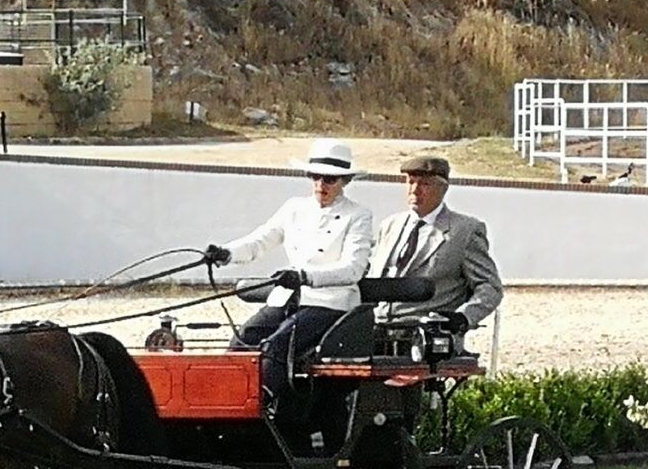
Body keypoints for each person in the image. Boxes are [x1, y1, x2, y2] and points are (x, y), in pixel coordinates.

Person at [203, 138, 373, 416]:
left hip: (329, 303)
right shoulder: (294, 208)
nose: (321, 185)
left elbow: (352, 269)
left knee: (277, 345)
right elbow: (260, 241)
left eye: (329, 179)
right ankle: (224, 405)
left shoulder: (358, 215)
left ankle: (264, 411)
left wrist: (305, 276)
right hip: (288, 298)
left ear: (345, 181)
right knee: (244, 339)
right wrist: (226, 253)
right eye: (315, 177)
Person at [369, 155, 503, 332]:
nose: (415, 190)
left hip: (427, 332)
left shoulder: (464, 230)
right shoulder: (389, 225)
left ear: (443, 188)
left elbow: (490, 287)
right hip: (375, 327)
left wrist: (463, 317)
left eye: (424, 184)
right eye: (410, 182)